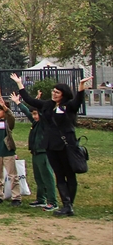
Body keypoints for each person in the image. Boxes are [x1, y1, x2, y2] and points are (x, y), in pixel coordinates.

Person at [12, 73, 90, 216]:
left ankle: (69, 204)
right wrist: (19, 84)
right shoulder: (48, 105)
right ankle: (65, 204)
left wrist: (81, 87)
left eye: (57, 92)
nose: (54, 94)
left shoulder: (69, 106)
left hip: (66, 145)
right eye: (53, 91)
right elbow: (30, 100)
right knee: (59, 174)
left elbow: (78, 101)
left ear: (63, 94)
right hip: (50, 144)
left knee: (69, 174)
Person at [24, 105, 58, 211]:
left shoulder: (45, 123)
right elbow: (27, 113)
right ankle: (41, 198)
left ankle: (52, 201)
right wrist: (18, 103)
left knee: (47, 177)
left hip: (44, 153)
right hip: (35, 153)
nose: (33, 116)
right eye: (33, 114)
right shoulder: (36, 123)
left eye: (36, 114)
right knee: (38, 178)